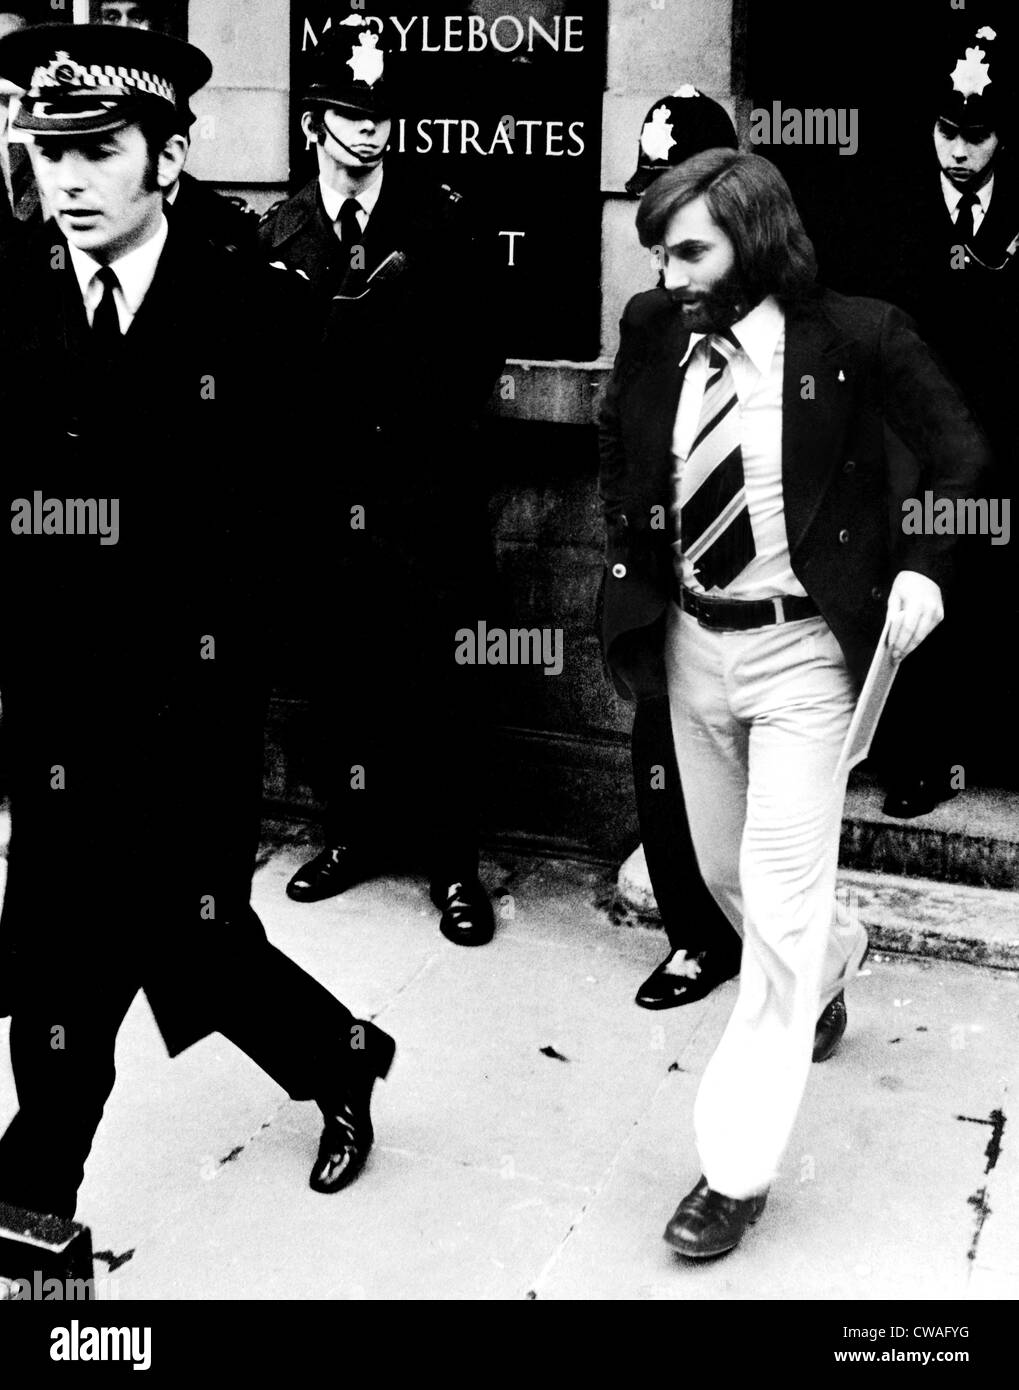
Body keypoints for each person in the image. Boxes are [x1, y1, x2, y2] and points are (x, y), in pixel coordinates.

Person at [0, 21, 395, 1222]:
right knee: (72, 956)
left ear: (171, 156)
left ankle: (337, 1061)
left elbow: (304, 512)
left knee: (188, 944)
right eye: (47, 148)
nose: (67, 179)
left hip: (189, 707)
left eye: (100, 150)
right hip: (55, 703)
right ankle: (37, 1203)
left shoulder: (255, 308)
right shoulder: (7, 291)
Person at [599, 149, 987, 1258]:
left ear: (756, 241)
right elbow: (619, 446)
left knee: (769, 912)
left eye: (689, 249)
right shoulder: (651, 328)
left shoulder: (858, 336)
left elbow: (966, 459)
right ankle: (836, 951)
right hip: (687, 644)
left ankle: (733, 1169)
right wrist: (627, 555)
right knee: (725, 877)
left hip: (802, 657)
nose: (667, 273)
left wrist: (923, 569)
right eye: (659, 251)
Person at [258, 17, 505, 947]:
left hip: (424, 497)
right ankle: (351, 835)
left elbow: (478, 354)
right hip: (323, 505)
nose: (368, 133)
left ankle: (452, 865)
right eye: (349, 115)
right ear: (316, 121)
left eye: (381, 117)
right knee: (339, 677)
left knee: (441, 681)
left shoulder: (441, 219)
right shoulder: (279, 230)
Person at [853, 21, 1018, 806]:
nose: (957, 152)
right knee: (916, 585)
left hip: (1004, 441)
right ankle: (916, 758)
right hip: (915, 445)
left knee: (992, 595)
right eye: (945, 133)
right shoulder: (888, 211)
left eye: (976, 136)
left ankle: (989, 749)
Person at [619, 85, 742, 1010]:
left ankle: (779, 949)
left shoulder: (794, 318)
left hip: (769, 607)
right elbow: (614, 435)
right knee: (659, 760)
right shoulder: (647, 317)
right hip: (673, 591)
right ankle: (694, 940)